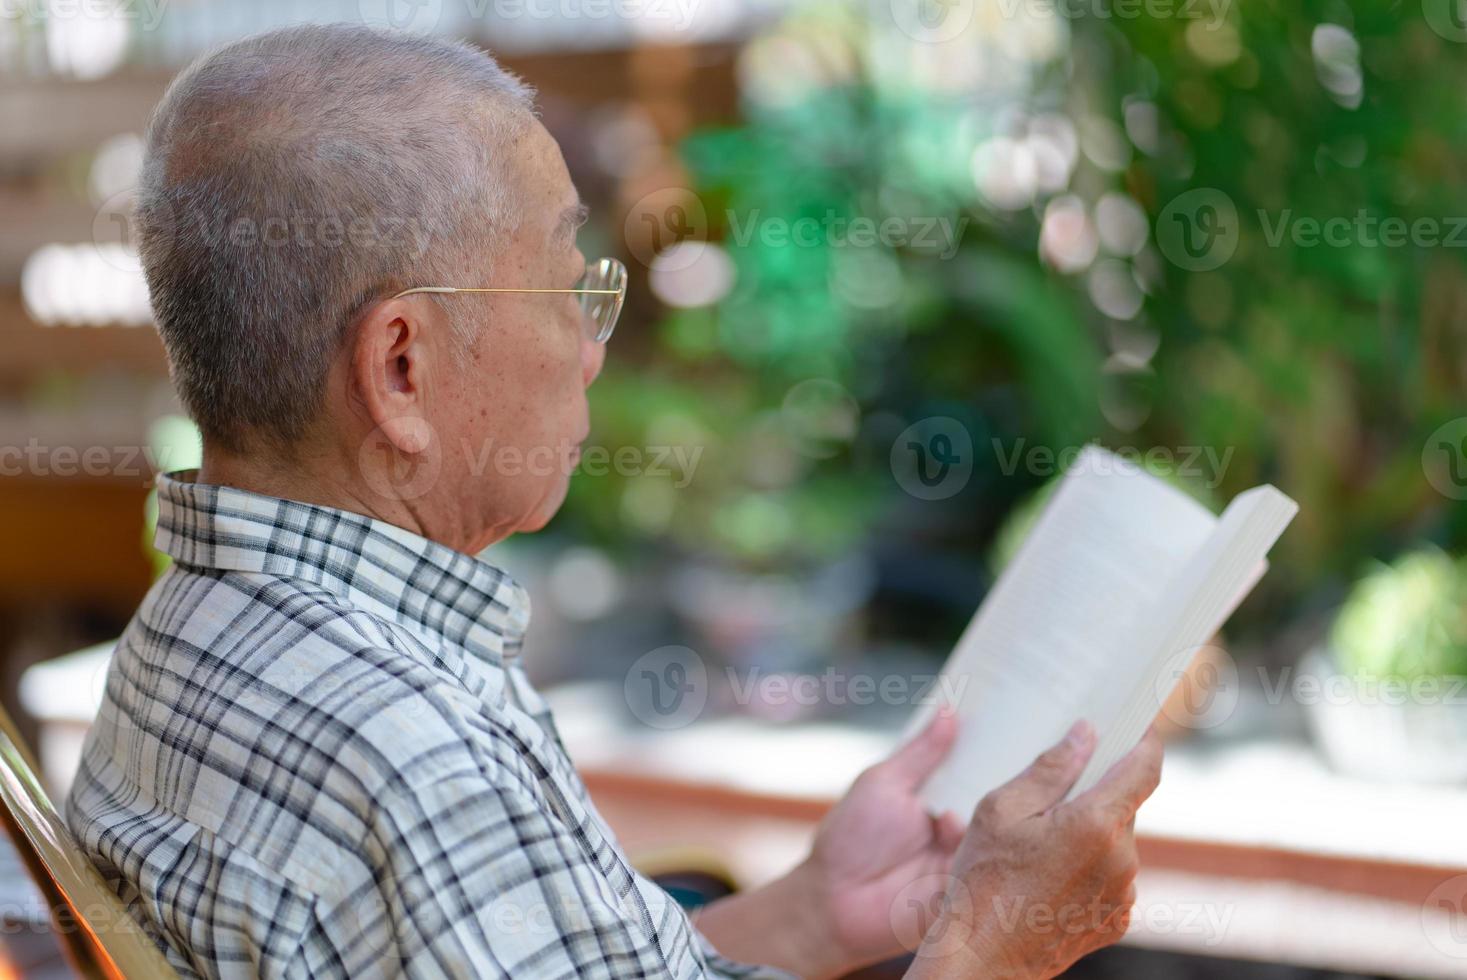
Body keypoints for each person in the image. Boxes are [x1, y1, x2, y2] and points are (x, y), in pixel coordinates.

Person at [65, 24, 1162, 979]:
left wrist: (819, 903)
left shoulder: (183, 639)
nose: (593, 346)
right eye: (566, 284)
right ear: (401, 367)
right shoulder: (414, 756)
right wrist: (990, 945)